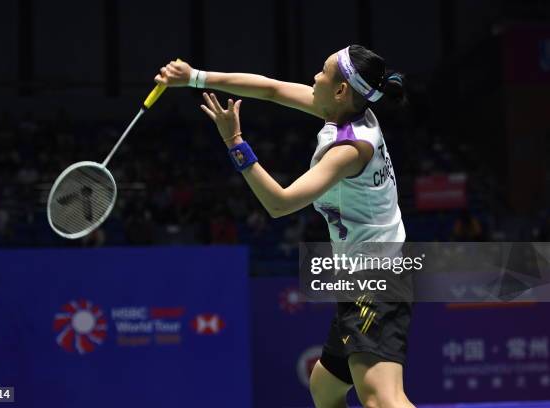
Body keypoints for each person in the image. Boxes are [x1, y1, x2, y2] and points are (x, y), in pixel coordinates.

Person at [155, 44, 414, 408]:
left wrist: (235, 142)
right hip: (366, 272)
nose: (314, 77)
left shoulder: (349, 149)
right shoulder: (346, 111)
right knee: (325, 387)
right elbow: (270, 88)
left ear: (341, 90)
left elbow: (279, 203)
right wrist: (194, 77)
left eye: (322, 72)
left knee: (382, 400)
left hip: (376, 279)